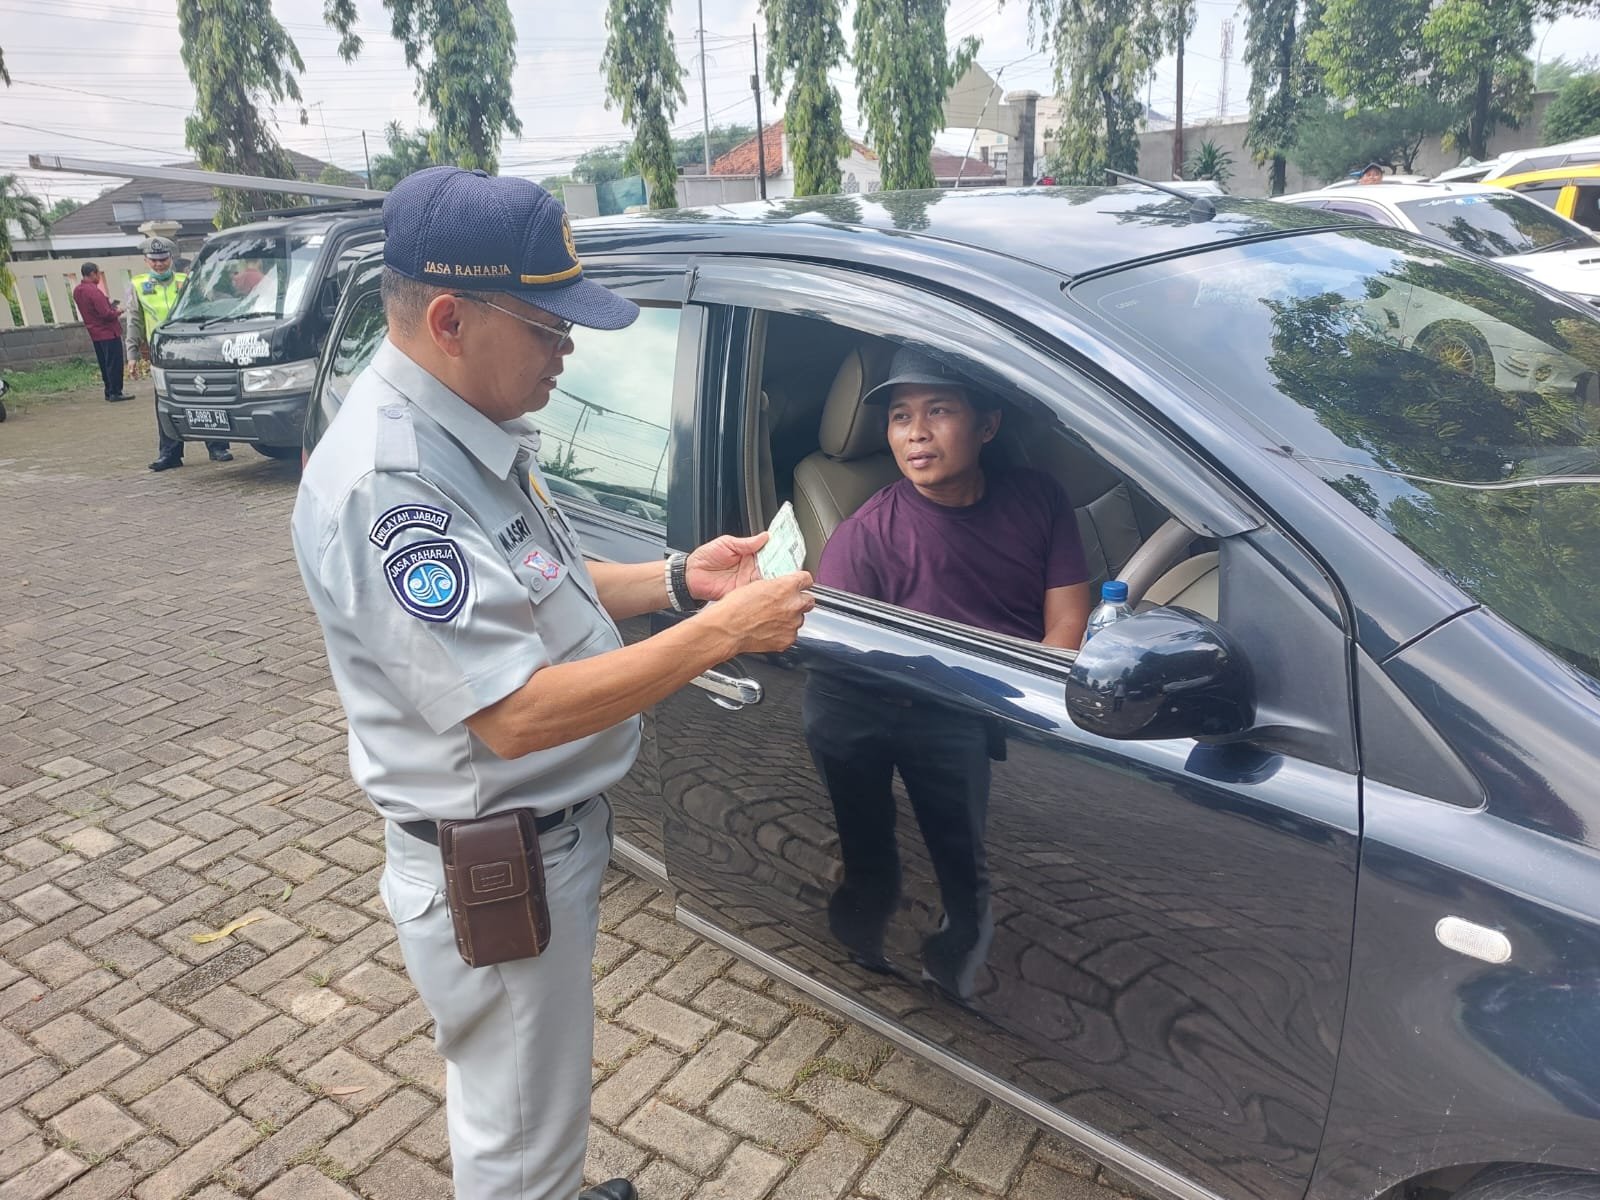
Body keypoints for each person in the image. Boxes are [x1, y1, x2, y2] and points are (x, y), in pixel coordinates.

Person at [292, 166, 813, 1200]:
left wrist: (672, 578)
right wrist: (716, 634)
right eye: (547, 327)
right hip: (499, 859)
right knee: (517, 1141)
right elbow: (515, 716)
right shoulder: (394, 484)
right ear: (450, 318)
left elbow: (538, 586)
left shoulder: (456, 428)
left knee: (522, 1095)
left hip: (537, 843)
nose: (568, 353)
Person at [804, 347, 1093, 1001]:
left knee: (977, 873)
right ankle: (874, 946)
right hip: (910, 712)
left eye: (939, 410)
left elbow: (1067, 623)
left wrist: (1028, 720)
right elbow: (848, 682)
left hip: (1018, 702)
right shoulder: (866, 538)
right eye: (900, 416)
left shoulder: (1038, 497)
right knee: (891, 861)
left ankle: (963, 941)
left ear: (987, 425)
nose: (915, 432)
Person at [128, 236, 232, 470]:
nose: (159, 264)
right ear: (146, 261)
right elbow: (134, 322)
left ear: (171, 258)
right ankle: (170, 453)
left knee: (206, 395)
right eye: (154, 260)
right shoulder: (138, 286)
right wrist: (132, 355)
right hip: (163, 353)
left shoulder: (187, 281)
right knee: (165, 402)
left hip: (193, 347)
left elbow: (207, 308)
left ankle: (217, 446)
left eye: (163, 259)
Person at [73, 263, 131, 402]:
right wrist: (118, 311)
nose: (99, 276)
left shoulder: (78, 290)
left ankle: (109, 390)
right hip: (108, 332)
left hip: (95, 332)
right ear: (93, 273)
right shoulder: (94, 291)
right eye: (98, 273)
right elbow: (106, 314)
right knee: (114, 363)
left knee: (104, 363)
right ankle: (116, 392)